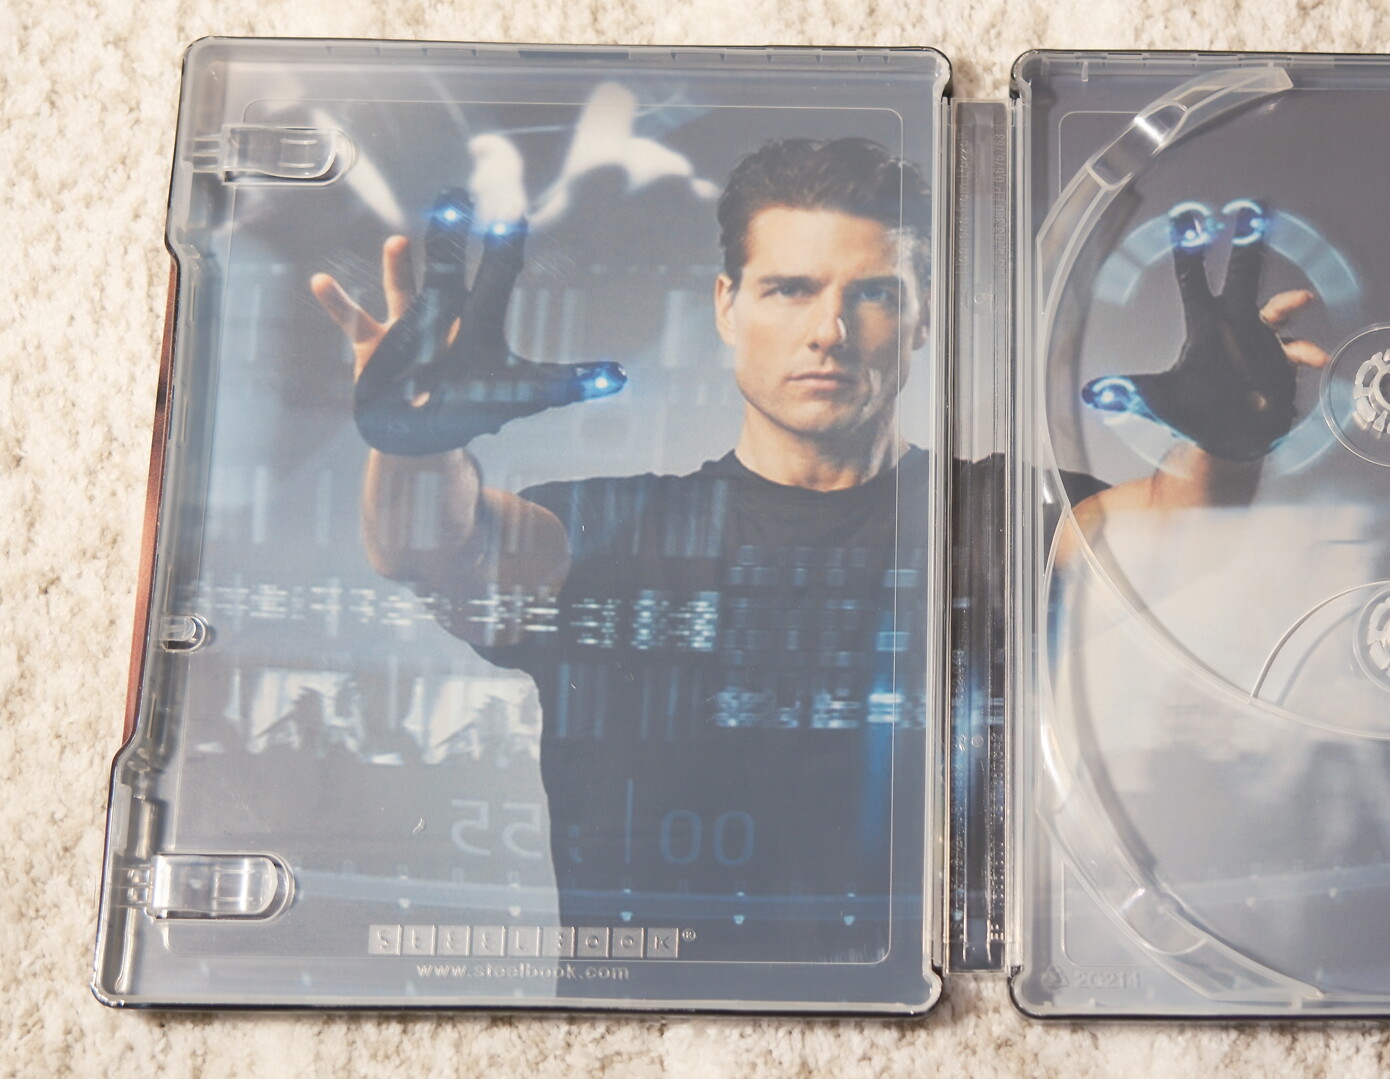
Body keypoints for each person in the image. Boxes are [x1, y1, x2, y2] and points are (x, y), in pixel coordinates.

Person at [308, 136, 1327, 962]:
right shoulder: (605, 528)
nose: (830, 329)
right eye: (790, 288)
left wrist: (1228, 440)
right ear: (727, 306)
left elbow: (1177, 529)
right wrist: (413, 442)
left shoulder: (1000, 516)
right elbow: (437, 547)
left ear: (919, 321)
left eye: (873, 293)